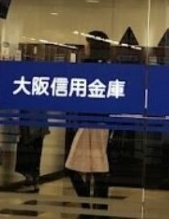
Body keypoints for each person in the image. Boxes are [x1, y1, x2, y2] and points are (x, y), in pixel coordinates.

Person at [65, 31, 113, 212]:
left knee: (79, 167)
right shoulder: (108, 68)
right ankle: (96, 206)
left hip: (91, 123)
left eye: (87, 44)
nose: (84, 47)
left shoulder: (88, 68)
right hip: (99, 123)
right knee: (96, 167)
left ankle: (91, 206)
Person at [15, 122, 49, 191]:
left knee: (27, 155)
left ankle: (30, 181)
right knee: (36, 156)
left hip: (29, 130)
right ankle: (34, 182)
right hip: (39, 130)